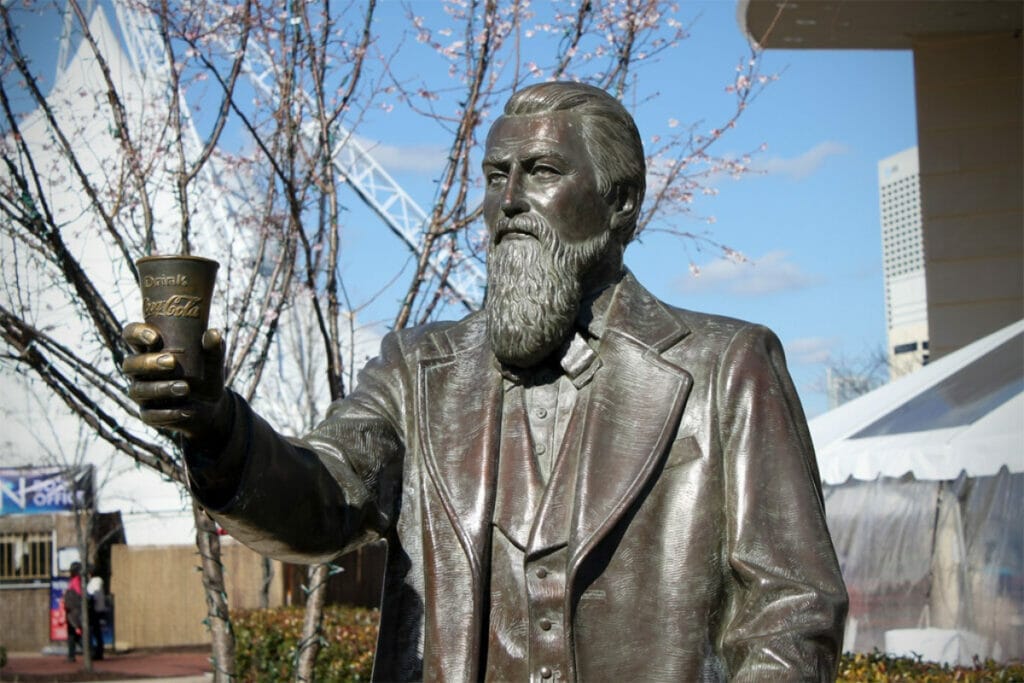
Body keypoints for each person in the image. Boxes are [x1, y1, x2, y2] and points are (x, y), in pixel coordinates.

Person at [124, 82, 848, 681]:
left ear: (621, 200)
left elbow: (791, 611)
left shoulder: (725, 369)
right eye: (495, 176)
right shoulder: (418, 371)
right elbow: (322, 495)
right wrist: (218, 429)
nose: (507, 201)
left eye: (540, 172)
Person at [63, 562, 83, 662]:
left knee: (74, 633)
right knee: (72, 634)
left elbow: (79, 595)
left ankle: (88, 650)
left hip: (74, 612)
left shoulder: (76, 581)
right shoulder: (75, 580)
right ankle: (71, 655)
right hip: (71, 611)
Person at [86, 574, 106, 660]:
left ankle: (94, 652)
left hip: (94, 611)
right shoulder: (99, 584)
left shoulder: (93, 583)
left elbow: (92, 596)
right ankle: (99, 652)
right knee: (97, 633)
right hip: (99, 610)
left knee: (92, 632)